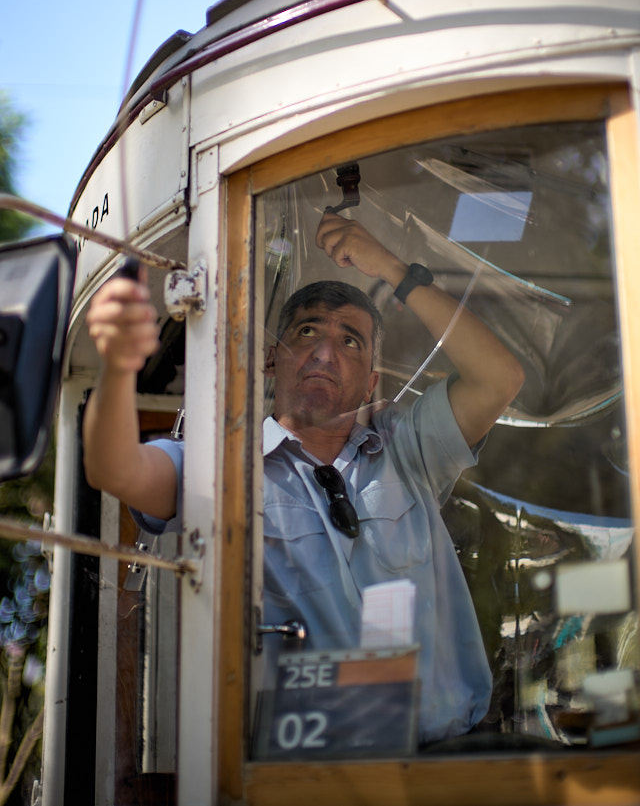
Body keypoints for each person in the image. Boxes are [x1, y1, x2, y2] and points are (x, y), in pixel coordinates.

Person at [83, 211, 524, 744]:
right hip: (307, 781)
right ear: (272, 358)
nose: (323, 352)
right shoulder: (226, 468)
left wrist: (389, 266)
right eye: (308, 331)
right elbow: (114, 467)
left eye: (350, 342)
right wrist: (116, 366)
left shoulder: (408, 449)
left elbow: (501, 377)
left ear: (371, 383)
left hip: (449, 767)